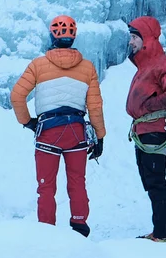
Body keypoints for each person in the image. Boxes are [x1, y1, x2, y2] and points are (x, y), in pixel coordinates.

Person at [10, 14, 106, 235]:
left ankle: (47, 232)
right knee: (77, 182)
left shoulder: (38, 65)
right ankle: (79, 225)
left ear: (52, 35)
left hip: (48, 131)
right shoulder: (88, 67)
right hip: (76, 132)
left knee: (46, 187)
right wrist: (99, 136)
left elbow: (17, 96)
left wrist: (29, 123)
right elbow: (95, 106)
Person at [125, 15, 166, 243]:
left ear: (146, 38)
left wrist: (149, 106)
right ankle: (160, 229)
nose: (131, 42)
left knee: (156, 182)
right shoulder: (146, 64)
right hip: (144, 130)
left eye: (134, 37)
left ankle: (162, 233)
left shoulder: (161, 63)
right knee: (151, 181)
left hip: (154, 130)